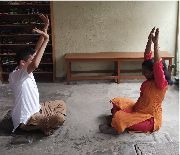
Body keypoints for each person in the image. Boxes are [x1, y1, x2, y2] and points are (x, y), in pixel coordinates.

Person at [99, 27, 172, 134]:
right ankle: (119, 120)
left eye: (145, 72)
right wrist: (149, 41)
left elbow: (157, 65)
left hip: (150, 119)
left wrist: (156, 44)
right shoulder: (151, 77)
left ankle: (117, 125)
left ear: (153, 72)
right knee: (117, 102)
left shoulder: (161, 83)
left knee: (119, 118)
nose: (143, 73)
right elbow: (147, 56)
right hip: (137, 109)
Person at [8, 14, 66, 136]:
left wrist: (45, 28)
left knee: (61, 103)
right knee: (59, 119)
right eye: (31, 59)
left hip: (38, 108)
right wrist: (47, 39)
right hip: (27, 120)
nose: (34, 60)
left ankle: (43, 123)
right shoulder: (16, 75)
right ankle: (41, 125)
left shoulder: (24, 70)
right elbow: (35, 64)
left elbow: (36, 51)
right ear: (22, 62)